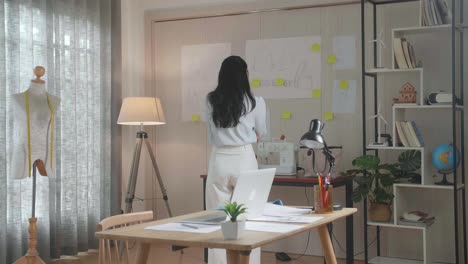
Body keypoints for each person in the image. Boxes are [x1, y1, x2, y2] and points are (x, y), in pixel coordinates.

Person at [205, 55, 267, 264]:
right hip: (244, 158)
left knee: (217, 220)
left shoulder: (210, 100)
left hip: (219, 159)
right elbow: (261, 133)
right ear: (244, 75)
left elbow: (210, 131)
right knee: (248, 218)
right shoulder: (256, 102)